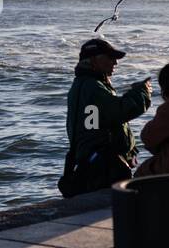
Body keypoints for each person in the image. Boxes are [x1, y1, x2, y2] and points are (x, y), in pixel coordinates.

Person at [60, 38, 152, 197]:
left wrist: (127, 151)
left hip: (94, 163)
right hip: (101, 169)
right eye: (110, 57)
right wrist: (142, 92)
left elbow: (97, 125)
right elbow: (120, 111)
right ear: (93, 60)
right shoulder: (92, 88)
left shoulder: (85, 85)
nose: (115, 62)